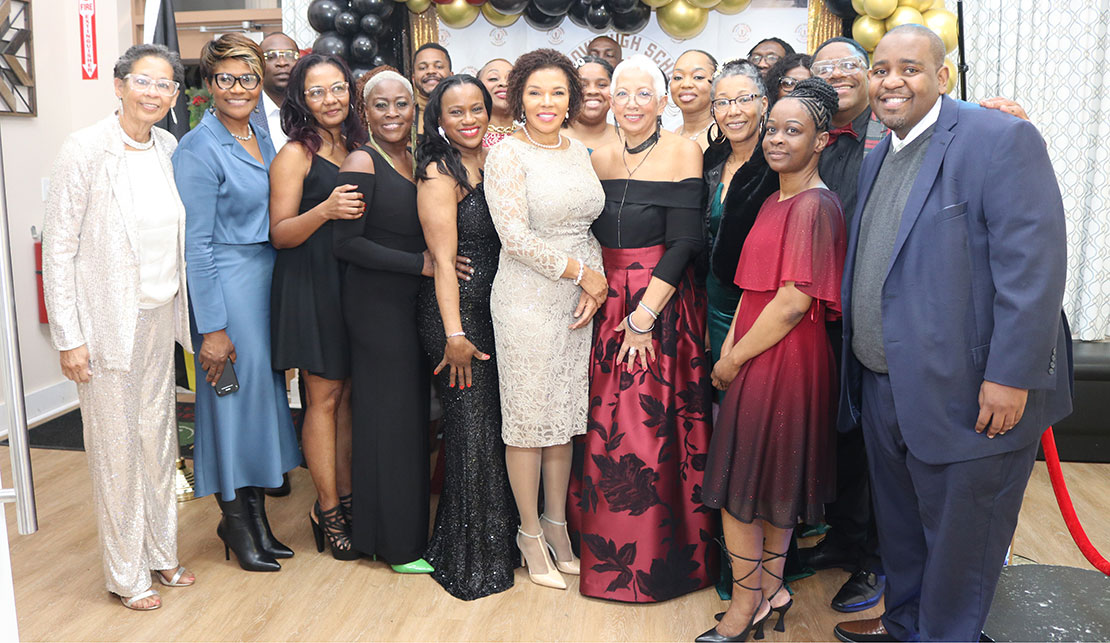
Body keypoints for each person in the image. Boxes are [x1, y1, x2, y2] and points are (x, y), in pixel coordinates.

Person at [833, 26, 1072, 643]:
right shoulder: (883, 150)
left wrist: (1010, 377)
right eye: (880, 68)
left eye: (910, 68)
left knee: (963, 548)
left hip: (975, 394)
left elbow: (1034, 270)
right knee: (904, 532)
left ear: (944, 76)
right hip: (888, 388)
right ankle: (905, 626)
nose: (891, 81)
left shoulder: (1000, 137)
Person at [42, 43, 194, 612]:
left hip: (157, 316)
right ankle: (127, 574)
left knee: (158, 440)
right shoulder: (85, 149)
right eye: (143, 82)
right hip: (105, 324)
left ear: (175, 95)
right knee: (115, 450)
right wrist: (69, 337)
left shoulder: (168, 146)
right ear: (119, 85)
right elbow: (59, 249)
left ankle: (162, 552)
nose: (154, 94)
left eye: (165, 85)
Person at [700, 79, 846, 642]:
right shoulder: (772, 199)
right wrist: (730, 350)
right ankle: (772, 592)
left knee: (746, 488)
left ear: (821, 141)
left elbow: (790, 303)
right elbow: (748, 292)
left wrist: (732, 361)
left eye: (795, 131)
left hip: (784, 356)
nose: (778, 140)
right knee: (762, 481)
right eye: (774, 129)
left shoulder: (815, 206)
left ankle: (745, 606)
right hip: (756, 346)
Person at [569, 54, 714, 603]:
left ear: (661, 100)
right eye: (620, 94)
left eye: (642, 94)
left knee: (648, 431)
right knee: (604, 427)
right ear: (609, 100)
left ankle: (657, 562)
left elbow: (685, 244)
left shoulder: (684, 151)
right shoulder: (595, 157)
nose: (630, 104)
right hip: (604, 301)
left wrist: (644, 317)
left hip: (659, 305)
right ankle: (604, 554)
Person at [173, 33, 301, 572]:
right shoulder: (197, 149)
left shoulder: (259, 135)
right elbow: (195, 248)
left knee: (258, 405)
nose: (239, 88)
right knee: (229, 404)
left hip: (265, 284)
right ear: (208, 84)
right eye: (225, 78)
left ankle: (254, 519)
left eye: (248, 77)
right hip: (227, 285)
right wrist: (213, 329)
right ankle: (235, 520)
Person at [484, 48, 607, 591]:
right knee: (529, 422)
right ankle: (528, 533)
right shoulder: (506, 154)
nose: (547, 102)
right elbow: (514, 237)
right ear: (518, 97)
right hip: (526, 299)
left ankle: (558, 526)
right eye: (536, 92)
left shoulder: (579, 150)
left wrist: (594, 283)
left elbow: (587, 225)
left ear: (572, 98)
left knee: (564, 420)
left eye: (558, 92)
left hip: (574, 300)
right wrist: (582, 271)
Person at [415, 74, 519, 600]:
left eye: (476, 108)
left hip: (498, 312)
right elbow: (440, 263)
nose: (469, 119)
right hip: (457, 320)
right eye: (456, 112)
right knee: (472, 432)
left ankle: (497, 542)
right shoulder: (439, 172)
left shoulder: (494, 158)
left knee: (492, 429)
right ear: (439, 119)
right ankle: (470, 557)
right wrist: (454, 333)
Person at [333, 67, 435, 574]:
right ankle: (396, 547)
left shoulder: (414, 159)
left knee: (405, 418)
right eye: (381, 105)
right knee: (389, 421)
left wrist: (440, 257)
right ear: (364, 111)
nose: (392, 114)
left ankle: (389, 534)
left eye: (402, 104)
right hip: (375, 306)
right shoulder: (361, 160)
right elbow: (347, 244)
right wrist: (419, 263)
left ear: (415, 107)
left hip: (409, 303)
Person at [268, 53, 367, 560]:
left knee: (345, 398)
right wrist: (325, 210)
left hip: (349, 284)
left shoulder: (355, 145)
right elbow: (280, 234)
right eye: (316, 92)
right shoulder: (295, 154)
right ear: (301, 100)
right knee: (322, 398)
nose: (329, 100)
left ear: (349, 91)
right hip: (309, 284)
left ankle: (345, 499)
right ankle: (326, 511)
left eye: (337, 89)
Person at [702, 60, 778, 375]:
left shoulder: (777, 165)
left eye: (744, 99)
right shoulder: (711, 160)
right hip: (710, 299)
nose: (733, 111)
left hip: (757, 308)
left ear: (763, 104)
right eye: (722, 102)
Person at [252, 32, 300, 150]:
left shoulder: (312, 110)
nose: (282, 63)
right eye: (271, 56)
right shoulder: (245, 113)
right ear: (258, 65)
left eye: (290, 55)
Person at [567, 55, 620, 153]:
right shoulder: (552, 138)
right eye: (582, 85)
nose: (592, 91)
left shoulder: (628, 140)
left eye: (601, 85)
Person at [670, 49, 718, 151]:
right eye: (678, 77)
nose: (686, 84)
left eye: (698, 77)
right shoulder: (668, 136)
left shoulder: (724, 136)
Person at [412, 43, 452, 134]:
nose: (431, 71)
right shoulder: (407, 116)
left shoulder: (463, 113)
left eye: (438, 66)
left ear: (451, 76)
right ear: (413, 79)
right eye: (422, 68)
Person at [477, 58, 515, 147]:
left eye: (511, 79)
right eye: (493, 79)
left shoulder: (531, 135)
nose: (504, 83)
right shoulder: (469, 134)